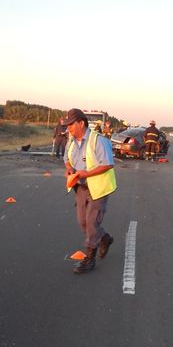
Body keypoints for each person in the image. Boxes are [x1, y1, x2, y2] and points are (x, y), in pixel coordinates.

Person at [62, 108, 117, 274]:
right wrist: (70, 169)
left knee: (92, 222)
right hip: (80, 187)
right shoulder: (71, 141)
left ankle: (89, 259)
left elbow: (107, 163)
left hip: (98, 187)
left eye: (71, 124)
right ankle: (105, 238)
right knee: (83, 222)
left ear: (81, 123)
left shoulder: (98, 140)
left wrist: (87, 173)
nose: (68, 128)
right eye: (67, 125)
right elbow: (66, 159)